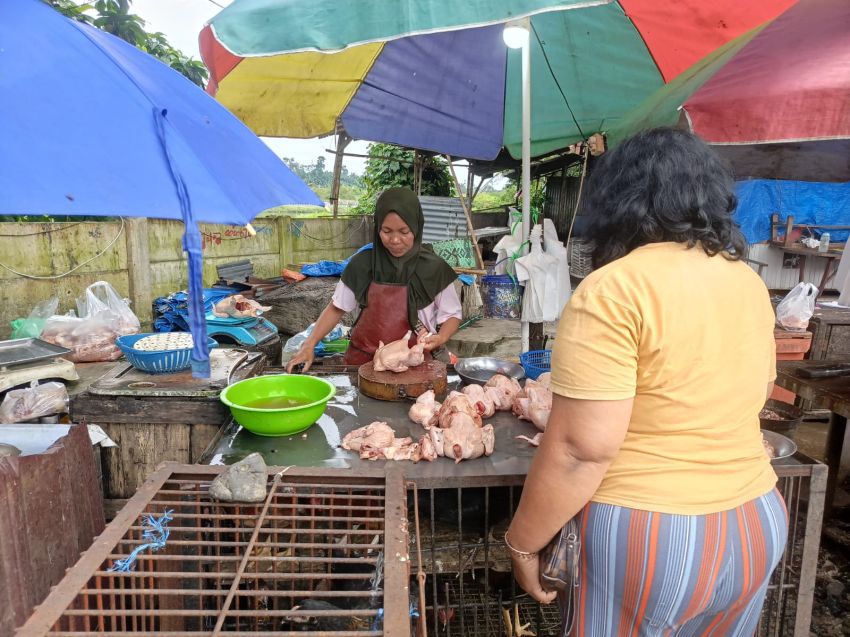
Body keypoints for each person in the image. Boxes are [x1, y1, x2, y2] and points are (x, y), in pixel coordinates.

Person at [505, 128, 788, 636]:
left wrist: (523, 542)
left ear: (618, 203)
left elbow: (579, 449)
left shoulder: (614, 288)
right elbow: (758, 393)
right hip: (755, 523)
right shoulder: (746, 279)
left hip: (654, 534)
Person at [286, 187, 461, 373]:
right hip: (362, 365)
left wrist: (441, 338)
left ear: (417, 227)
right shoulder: (362, 264)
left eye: (404, 231)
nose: (394, 239)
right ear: (377, 227)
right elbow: (336, 308)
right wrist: (309, 344)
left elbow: (452, 314)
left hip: (413, 365)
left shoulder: (433, 268)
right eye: (386, 231)